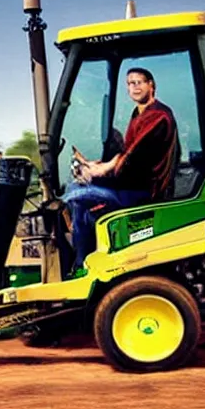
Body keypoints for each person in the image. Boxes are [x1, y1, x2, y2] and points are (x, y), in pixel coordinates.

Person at [62, 67, 180, 276]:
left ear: (151, 85)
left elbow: (133, 158)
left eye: (138, 82)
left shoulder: (158, 117)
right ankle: (82, 262)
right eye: (129, 83)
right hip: (132, 183)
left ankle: (82, 265)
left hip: (145, 190)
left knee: (73, 194)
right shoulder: (139, 114)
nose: (133, 87)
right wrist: (96, 164)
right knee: (80, 203)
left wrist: (100, 170)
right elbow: (125, 153)